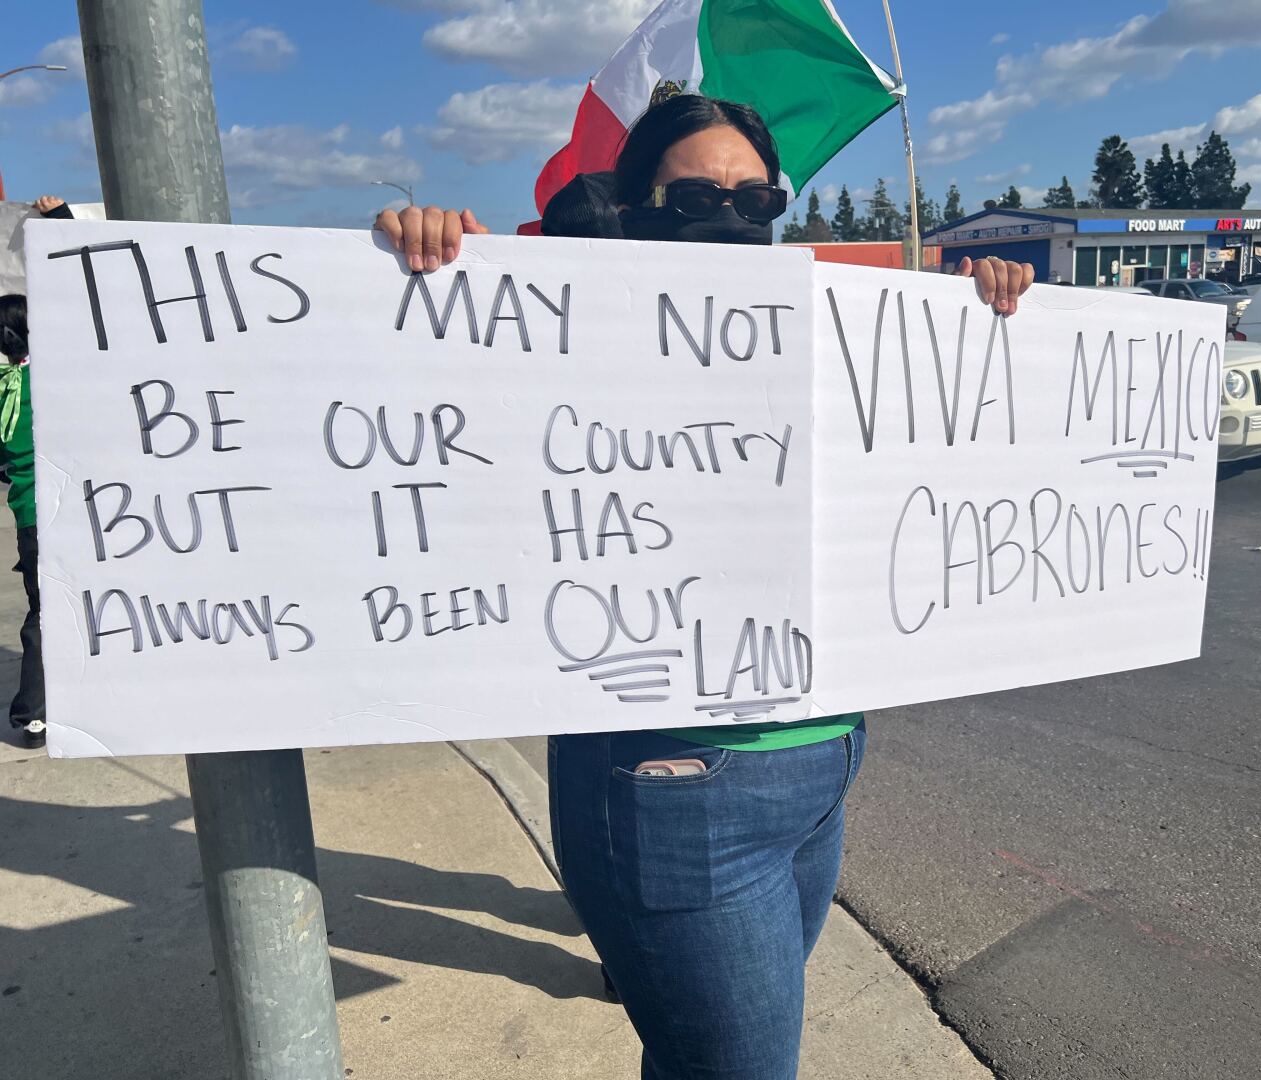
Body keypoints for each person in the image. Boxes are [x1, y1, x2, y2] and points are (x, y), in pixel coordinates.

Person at [376, 95, 1033, 1080]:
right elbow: (420, 415)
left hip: (823, 765)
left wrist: (986, 312)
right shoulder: (565, 330)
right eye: (693, 194)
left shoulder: (817, 334)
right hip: (677, 787)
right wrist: (414, 262)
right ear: (631, 201)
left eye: (753, 196)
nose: (728, 214)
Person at [0, 292, 43, 749]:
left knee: (43, 612)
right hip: (82, 507)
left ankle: (33, 715)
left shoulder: (4, 386)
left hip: (30, 515)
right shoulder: (53, 379)